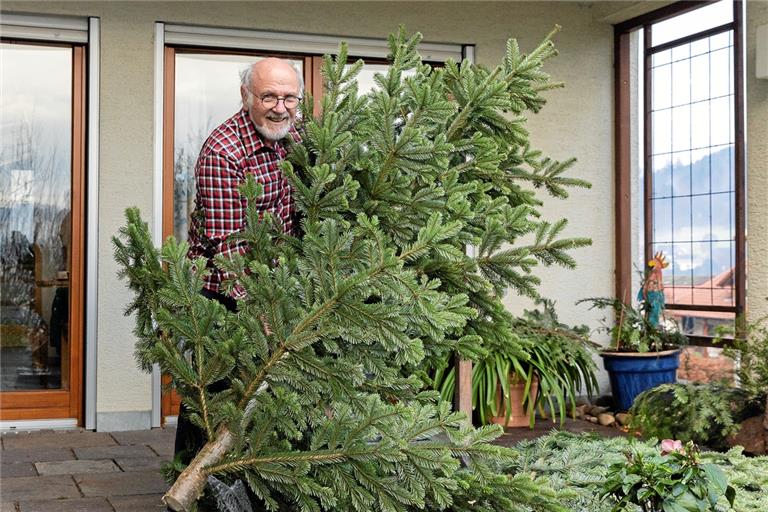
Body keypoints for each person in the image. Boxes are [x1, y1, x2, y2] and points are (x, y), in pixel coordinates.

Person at [174, 57, 303, 468]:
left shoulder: (292, 136)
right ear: (246, 96)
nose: (280, 107)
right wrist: (263, 309)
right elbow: (229, 250)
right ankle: (190, 483)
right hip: (224, 293)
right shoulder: (223, 151)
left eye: (289, 98)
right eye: (268, 96)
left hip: (276, 283)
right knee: (214, 396)